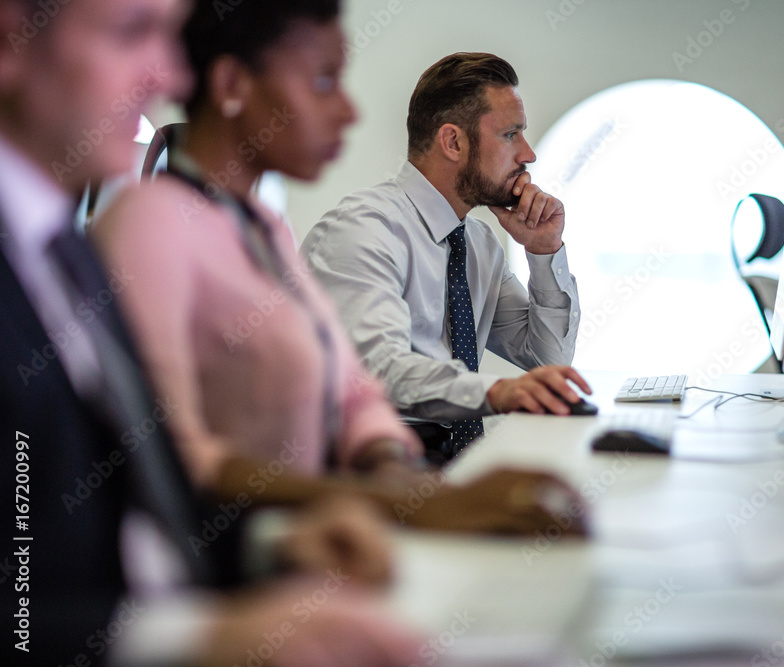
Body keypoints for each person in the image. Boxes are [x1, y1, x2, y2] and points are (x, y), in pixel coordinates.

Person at [0, 0, 423, 665]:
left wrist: (273, 544)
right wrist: (201, 635)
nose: (169, 78)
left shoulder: (63, 251)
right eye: (132, 32)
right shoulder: (140, 225)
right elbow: (22, 602)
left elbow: (133, 499)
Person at [90, 2, 588, 535]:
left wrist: (407, 482)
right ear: (233, 84)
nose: (349, 112)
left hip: (349, 499)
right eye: (324, 81)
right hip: (248, 549)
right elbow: (166, 456)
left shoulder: (263, 226)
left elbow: (352, 391)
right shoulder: (154, 226)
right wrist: (409, 497)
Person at [301, 52, 591, 462]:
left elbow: (546, 358)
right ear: (453, 142)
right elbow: (379, 371)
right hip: (376, 460)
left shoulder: (476, 242)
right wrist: (495, 391)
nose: (528, 154)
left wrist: (543, 253)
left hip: (453, 456)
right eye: (510, 135)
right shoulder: (364, 231)